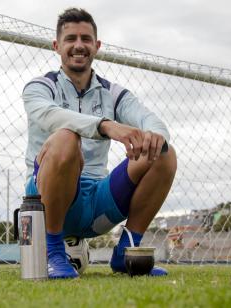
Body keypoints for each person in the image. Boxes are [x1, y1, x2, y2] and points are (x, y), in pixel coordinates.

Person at [22, 8, 177, 279]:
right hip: (47, 205)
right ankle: (53, 252)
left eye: (86, 38)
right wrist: (105, 125)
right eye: (70, 39)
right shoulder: (39, 87)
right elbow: (50, 115)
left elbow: (149, 119)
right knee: (66, 138)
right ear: (57, 46)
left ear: (97, 46)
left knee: (163, 153)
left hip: (96, 206)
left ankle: (127, 253)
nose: (79, 45)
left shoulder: (114, 93)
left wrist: (154, 134)